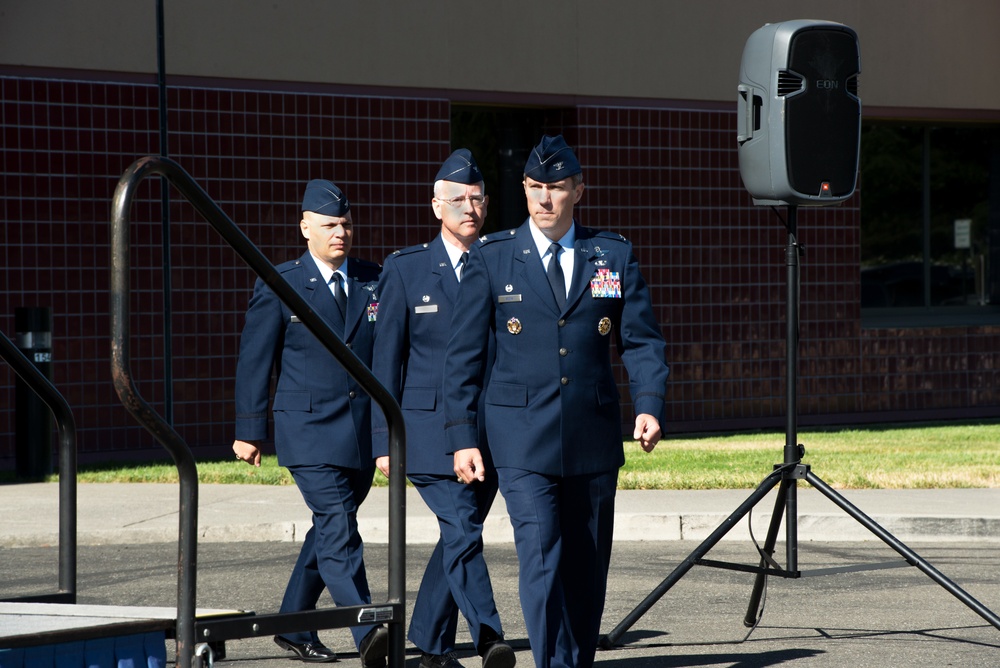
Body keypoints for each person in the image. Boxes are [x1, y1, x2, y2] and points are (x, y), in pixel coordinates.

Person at [443, 135, 670, 668]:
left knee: (586, 571)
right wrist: (461, 438)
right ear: (524, 189)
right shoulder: (494, 257)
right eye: (535, 188)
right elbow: (463, 358)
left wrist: (649, 403)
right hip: (520, 437)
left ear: (578, 191)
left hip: (591, 437)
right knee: (541, 561)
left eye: (557, 189)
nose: (545, 200)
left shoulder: (611, 254)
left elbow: (640, 339)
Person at [232, 179, 388, 666]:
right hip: (308, 428)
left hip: (360, 431)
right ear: (305, 227)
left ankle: (295, 623)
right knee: (339, 527)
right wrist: (249, 429)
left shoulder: (373, 279)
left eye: (345, 224)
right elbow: (255, 359)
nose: (339, 232)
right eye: (328, 225)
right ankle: (368, 632)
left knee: (329, 528)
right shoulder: (280, 282)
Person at [372, 150, 515, 668]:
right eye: (457, 200)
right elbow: (384, 362)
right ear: (436, 206)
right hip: (428, 431)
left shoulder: (505, 260)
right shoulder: (406, 270)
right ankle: (489, 637)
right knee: (461, 529)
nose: (469, 208)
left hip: (493, 429)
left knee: (458, 535)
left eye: (477, 199)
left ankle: (429, 646)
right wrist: (381, 439)